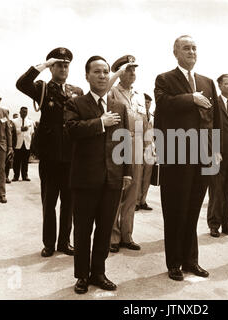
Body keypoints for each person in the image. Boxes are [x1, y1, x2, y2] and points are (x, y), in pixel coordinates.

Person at [154, 35, 220, 281]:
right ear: (176, 53)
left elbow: (216, 122)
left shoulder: (208, 81)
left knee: (193, 210)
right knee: (175, 210)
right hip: (177, 154)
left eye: (194, 48)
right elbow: (163, 105)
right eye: (186, 48)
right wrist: (191, 98)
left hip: (203, 155)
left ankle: (191, 260)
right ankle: (174, 262)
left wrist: (215, 151)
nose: (191, 51)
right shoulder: (165, 79)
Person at [65, 55, 132, 294]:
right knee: (83, 229)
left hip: (112, 179)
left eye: (105, 71)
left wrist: (127, 172)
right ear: (87, 76)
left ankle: (98, 272)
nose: (103, 75)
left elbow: (125, 142)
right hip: (85, 179)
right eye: (97, 71)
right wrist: (100, 122)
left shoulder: (119, 107)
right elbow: (71, 131)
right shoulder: (76, 104)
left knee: (105, 229)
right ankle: (82, 275)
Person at [16, 47, 83, 257]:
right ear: (52, 67)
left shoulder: (77, 92)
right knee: (49, 202)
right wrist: (43, 65)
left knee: (69, 203)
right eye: (59, 65)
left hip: (71, 156)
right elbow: (21, 84)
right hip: (50, 156)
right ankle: (49, 243)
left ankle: (65, 242)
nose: (63, 69)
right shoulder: (42, 88)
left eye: (66, 65)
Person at [108, 55, 144, 253]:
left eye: (134, 70)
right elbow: (103, 93)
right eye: (128, 70)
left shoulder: (139, 95)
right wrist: (116, 74)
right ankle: (112, 235)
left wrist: (149, 145)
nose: (132, 73)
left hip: (137, 145)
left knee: (132, 193)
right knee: (116, 191)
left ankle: (127, 235)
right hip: (118, 144)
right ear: (120, 72)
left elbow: (145, 122)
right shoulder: (112, 92)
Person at [207, 74, 228, 238]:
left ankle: (227, 225)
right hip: (217, 154)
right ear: (219, 86)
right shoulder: (214, 104)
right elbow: (209, 129)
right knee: (216, 191)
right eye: (227, 83)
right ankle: (214, 224)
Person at [136, 93, 154, 211]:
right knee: (138, 176)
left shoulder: (152, 116)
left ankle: (143, 201)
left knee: (147, 177)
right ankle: (136, 201)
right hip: (139, 148)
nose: (147, 104)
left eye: (149, 102)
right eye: (145, 102)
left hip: (150, 150)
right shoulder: (139, 115)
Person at [12, 107, 34, 181]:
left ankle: (25, 176)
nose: (24, 113)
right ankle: (16, 176)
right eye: (23, 112)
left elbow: (31, 133)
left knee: (25, 161)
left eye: (26, 112)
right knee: (16, 161)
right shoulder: (14, 121)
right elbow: (12, 132)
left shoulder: (30, 121)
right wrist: (20, 129)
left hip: (27, 143)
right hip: (18, 143)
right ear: (20, 112)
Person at [5, 110, 17, 184]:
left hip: (9, 146)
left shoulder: (11, 123)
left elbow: (14, 135)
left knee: (8, 162)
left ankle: (6, 177)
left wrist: (13, 146)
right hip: (0, 146)